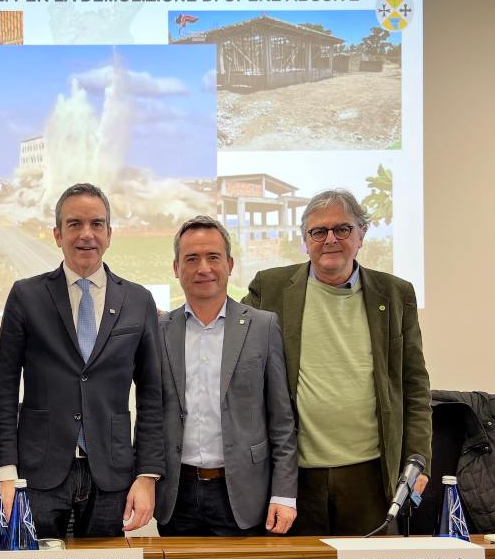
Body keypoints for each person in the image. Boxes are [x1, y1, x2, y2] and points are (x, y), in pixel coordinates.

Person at [244, 189, 431, 536]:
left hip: (371, 475)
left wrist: (418, 458)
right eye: (318, 231)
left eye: (342, 229)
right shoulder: (270, 288)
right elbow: (230, 336)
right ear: (305, 240)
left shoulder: (395, 294)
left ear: (361, 235)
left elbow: (415, 386)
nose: (330, 239)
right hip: (293, 476)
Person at [0, 182, 164, 538]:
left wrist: (147, 475)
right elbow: (4, 390)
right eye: (74, 224)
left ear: (109, 234)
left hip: (112, 474)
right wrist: (5, 472)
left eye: (96, 224)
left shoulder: (138, 300)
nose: (86, 234)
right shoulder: (26, 296)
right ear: (57, 234)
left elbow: (152, 394)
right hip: (37, 474)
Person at [156, 216, 298, 536]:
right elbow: (151, 415)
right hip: (176, 496)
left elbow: (282, 420)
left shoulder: (262, 326)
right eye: (192, 259)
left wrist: (284, 494)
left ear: (230, 264)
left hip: (244, 495)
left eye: (213, 257)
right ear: (176, 268)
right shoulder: (159, 330)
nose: (203, 268)